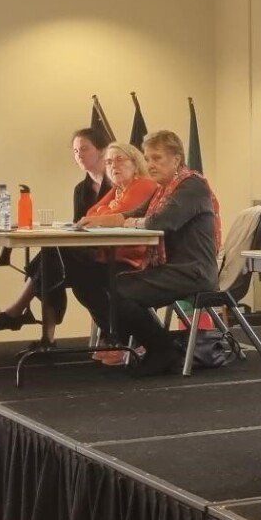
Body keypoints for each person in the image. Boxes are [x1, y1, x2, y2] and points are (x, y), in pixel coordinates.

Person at [103, 130, 222, 375]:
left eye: (156, 158)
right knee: (108, 285)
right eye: (147, 159)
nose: (150, 165)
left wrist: (126, 222)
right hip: (172, 269)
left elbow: (161, 222)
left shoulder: (193, 185)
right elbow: (138, 213)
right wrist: (106, 220)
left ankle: (161, 349)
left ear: (177, 159)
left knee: (119, 291)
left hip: (193, 272)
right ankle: (158, 347)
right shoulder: (162, 189)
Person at [0, 126, 114, 332]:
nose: (79, 156)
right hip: (83, 252)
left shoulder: (115, 185)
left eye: (84, 149)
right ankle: (33, 324)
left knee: (51, 257)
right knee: (51, 256)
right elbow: (79, 224)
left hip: (107, 254)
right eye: (75, 151)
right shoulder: (81, 188)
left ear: (102, 150)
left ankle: (25, 317)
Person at [65, 142, 158, 361]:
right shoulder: (118, 190)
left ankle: (123, 338)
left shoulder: (143, 185)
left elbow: (116, 216)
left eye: (119, 160)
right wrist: (102, 215)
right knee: (74, 274)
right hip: (110, 256)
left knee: (80, 275)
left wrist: (102, 214)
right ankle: (116, 336)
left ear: (135, 163)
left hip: (133, 260)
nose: (113, 165)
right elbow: (91, 214)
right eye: (108, 162)